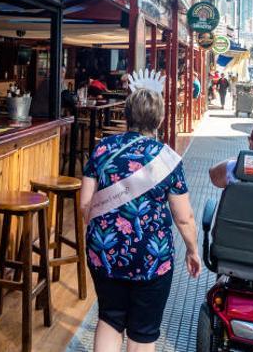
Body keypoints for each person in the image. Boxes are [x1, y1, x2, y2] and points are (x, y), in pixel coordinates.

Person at [80, 88, 201, 352]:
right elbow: (184, 218)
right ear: (158, 120)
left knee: (110, 319)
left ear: (126, 116)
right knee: (143, 333)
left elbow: (85, 206)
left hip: (105, 252)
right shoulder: (167, 158)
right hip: (151, 258)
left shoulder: (102, 149)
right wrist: (193, 250)